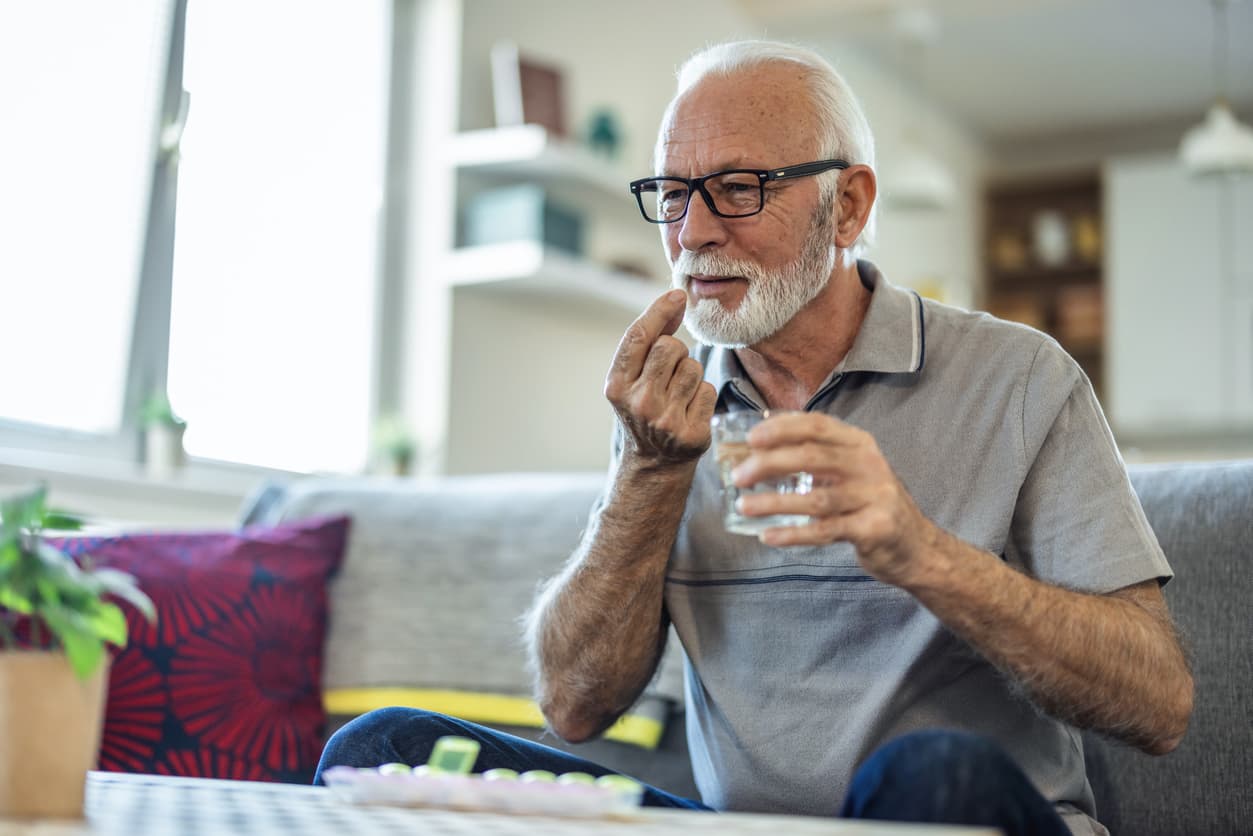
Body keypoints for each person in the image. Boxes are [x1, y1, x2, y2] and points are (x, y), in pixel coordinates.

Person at [315, 40, 1192, 836]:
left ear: (845, 207)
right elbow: (573, 705)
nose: (692, 233)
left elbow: (1158, 703)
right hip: (730, 829)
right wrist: (649, 473)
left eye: (738, 189)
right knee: (385, 746)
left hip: (957, 814)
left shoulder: (1020, 379)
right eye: (669, 194)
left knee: (930, 775)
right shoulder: (668, 401)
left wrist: (918, 551)